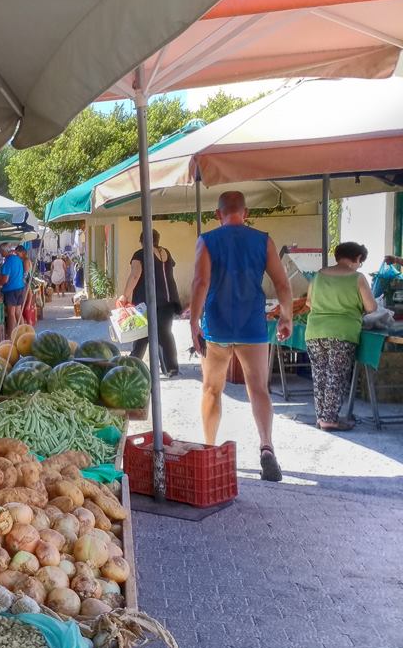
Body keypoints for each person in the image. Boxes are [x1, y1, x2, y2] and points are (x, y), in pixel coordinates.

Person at [190, 191, 294, 482]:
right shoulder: (263, 240)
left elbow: (200, 282)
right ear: (245, 213)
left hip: (217, 326)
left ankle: (209, 450)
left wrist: (194, 322)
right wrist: (287, 317)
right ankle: (266, 447)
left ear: (217, 214)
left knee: (212, 389)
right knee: (258, 388)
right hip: (252, 326)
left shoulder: (207, 240)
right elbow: (282, 284)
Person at [304, 241, 377, 431]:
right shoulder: (357, 278)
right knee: (336, 376)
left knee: (319, 375)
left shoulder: (318, 276)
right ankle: (330, 419)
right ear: (357, 258)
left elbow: (309, 303)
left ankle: (322, 417)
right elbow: (371, 308)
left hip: (314, 331)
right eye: (360, 261)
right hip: (342, 333)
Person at [117, 229, 181, 377]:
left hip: (151, 300)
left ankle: (133, 363)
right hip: (169, 299)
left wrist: (124, 296)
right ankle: (170, 367)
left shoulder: (140, 254)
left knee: (144, 333)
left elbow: (134, 275)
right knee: (164, 333)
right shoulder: (165, 252)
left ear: (142, 240)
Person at [0, 244, 26, 337]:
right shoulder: (18, 259)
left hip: (11, 290)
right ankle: (24, 332)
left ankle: (12, 335)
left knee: (11, 313)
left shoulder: (7, 262)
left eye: (1, 252)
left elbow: (4, 280)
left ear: (4, 251)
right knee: (18, 311)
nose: (0, 254)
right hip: (20, 288)